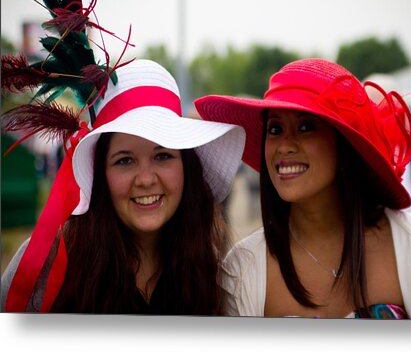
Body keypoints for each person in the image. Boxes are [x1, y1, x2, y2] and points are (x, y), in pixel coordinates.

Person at [195, 58, 411, 319]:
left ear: (344, 144)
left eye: (306, 127)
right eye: (275, 129)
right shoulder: (239, 271)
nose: (284, 146)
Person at [1, 59, 246, 314]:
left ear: (186, 168)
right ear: (100, 174)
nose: (146, 179)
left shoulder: (213, 273)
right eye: (125, 160)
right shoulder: (44, 266)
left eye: (162, 156)